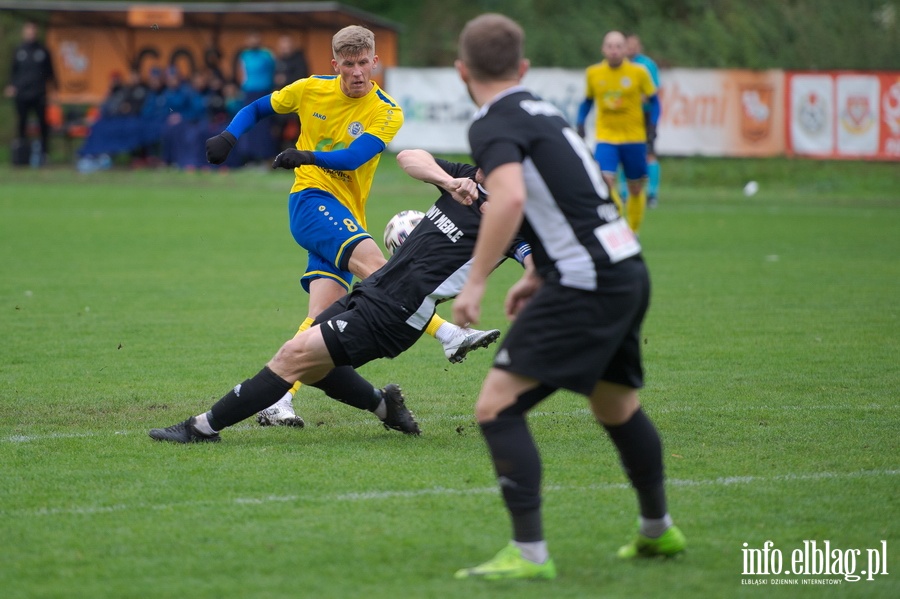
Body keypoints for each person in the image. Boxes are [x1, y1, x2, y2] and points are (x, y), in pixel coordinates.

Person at [451, 13, 685, 581]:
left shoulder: (491, 123)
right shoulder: (547, 112)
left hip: (589, 281)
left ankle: (529, 553)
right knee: (615, 405)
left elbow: (504, 199)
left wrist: (478, 278)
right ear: (524, 68)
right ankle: (658, 530)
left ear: (462, 73)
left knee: (496, 407)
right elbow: (579, 195)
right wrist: (539, 273)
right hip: (625, 267)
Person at [205, 25, 499, 427]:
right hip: (311, 202)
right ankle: (448, 335)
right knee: (383, 272)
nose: (357, 72)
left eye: (364, 63)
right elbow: (258, 108)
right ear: (336, 65)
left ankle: (295, 402)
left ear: (374, 61)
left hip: (348, 216)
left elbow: (352, 158)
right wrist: (229, 135)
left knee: (318, 323)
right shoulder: (311, 88)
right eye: (348, 64)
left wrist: (304, 153)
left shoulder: (386, 110)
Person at [148, 150, 531, 444]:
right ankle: (385, 406)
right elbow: (409, 157)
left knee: (292, 356)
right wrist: (447, 181)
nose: (479, 168)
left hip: (397, 313)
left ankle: (202, 427)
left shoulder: (514, 225)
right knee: (314, 367)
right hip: (375, 289)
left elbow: (538, 266)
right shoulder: (463, 179)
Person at [575, 31, 659, 234]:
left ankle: (633, 231)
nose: (614, 50)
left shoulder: (638, 73)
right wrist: (580, 123)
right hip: (606, 137)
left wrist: (653, 126)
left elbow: (655, 101)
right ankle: (619, 226)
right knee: (605, 183)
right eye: (610, 46)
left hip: (634, 138)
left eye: (618, 46)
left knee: (636, 188)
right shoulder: (593, 73)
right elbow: (587, 102)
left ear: (626, 49)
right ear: (603, 49)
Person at [5, 21, 56, 167]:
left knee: (43, 124)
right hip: (22, 94)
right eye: (28, 31)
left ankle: (45, 155)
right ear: (24, 32)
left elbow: (51, 73)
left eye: (33, 31)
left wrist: (54, 90)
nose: (30, 33)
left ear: (36, 32)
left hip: (39, 94)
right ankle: (22, 156)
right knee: (22, 124)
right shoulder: (19, 50)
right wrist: (11, 86)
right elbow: (13, 71)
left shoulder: (43, 50)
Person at [625, 34, 662, 208]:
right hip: (625, 116)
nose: (631, 48)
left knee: (649, 153)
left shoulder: (647, 65)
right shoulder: (620, 65)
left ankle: (652, 194)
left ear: (639, 46)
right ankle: (624, 192)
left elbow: (652, 94)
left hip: (644, 116)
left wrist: (636, 97)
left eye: (634, 45)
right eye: (628, 45)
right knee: (623, 150)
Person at [234, 31, 278, 162]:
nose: (253, 42)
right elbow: (241, 73)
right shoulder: (244, 55)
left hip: (264, 91)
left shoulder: (267, 55)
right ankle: (249, 157)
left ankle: (265, 157)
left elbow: (273, 71)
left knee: (264, 126)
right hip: (249, 92)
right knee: (249, 123)